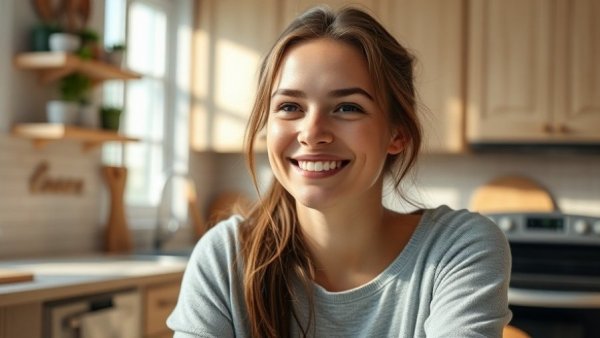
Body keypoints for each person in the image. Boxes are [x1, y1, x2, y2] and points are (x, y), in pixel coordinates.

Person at [167, 5, 511, 338]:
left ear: (397, 134)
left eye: (347, 107)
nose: (312, 132)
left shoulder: (459, 249)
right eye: (289, 107)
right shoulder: (225, 258)